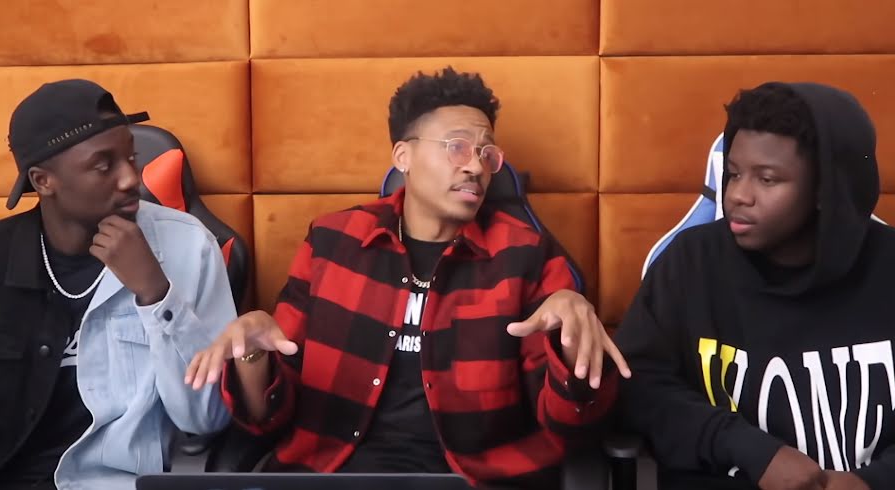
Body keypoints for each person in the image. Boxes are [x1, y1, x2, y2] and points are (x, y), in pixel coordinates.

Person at [187, 66, 631, 489]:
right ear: (404, 156)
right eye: (458, 147)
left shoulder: (525, 256)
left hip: (473, 481)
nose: (476, 167)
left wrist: (570, 349)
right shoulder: (334, 242)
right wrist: (252, 357)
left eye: (486, 153)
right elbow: (265, 418)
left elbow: (571, 424)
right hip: (332, 476)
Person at [0, 79, 236, 489]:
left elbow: (207, 417)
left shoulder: (188, 246)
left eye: (131, 156)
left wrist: (156, 294)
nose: (131, 178)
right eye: (104, 165)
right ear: (43, 181)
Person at [615, 81, 894, 490]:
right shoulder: (691, 263)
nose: (737, 196)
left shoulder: (887, 267)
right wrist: (749, 449)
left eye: (767, 179)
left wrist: (874, 481)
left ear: (825, 189)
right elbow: (637, 386)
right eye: (733, 174)